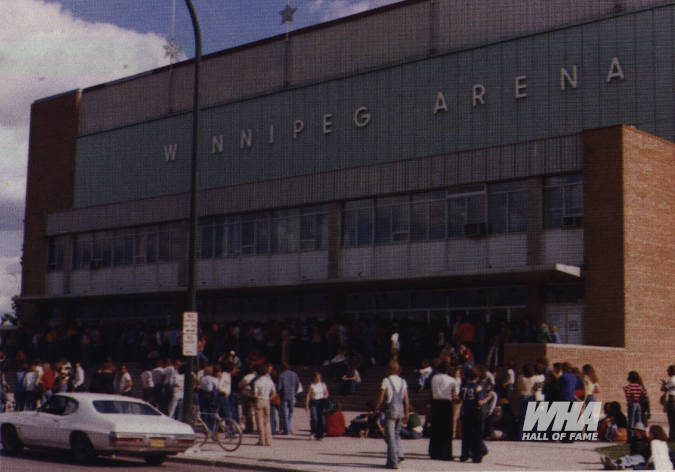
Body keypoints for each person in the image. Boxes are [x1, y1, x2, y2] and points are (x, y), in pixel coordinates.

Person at [374, 360, 409, 470]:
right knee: (397, 434)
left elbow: (381, 396)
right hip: (401, 410)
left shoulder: (386, 380)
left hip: (391, 409)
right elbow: (406, 399)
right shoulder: (403, 381)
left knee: (390, 436)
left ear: (388, 370)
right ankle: (400, 454)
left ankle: (393, 461)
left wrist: (377, 407)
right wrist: (406, 413)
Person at [428, 361, 459, 460]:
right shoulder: (452, 380)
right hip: (446, 403)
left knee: (436, 428)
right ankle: (446, 453)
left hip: (436, 402)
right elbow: (455, 394)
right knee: (447, 429)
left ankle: (434, 452)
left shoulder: (434, 378)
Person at [459, 368, 488, 463]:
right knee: (477, 435)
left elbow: (459, 398)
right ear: (477, 376)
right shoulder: (478, 387)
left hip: (466, 411)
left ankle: (464, 455)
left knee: (466, 435)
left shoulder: (463, 386)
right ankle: (477, 456)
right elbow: (479, 402)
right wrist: (487, 398)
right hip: (475, 412)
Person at [253, 363, 276, 446]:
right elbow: (274, 393)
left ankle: (261, 440)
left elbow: (255, 394)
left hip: (259, 400)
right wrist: (269, 398)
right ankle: (268, 440)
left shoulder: (257, 382)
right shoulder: (269, 381)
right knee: (267, 421)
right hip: (267, 400)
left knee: (259, 421)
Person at [277, 362, 300, 435]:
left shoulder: (281, 376)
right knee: (291, 413)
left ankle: (286, 430)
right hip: (292, 395)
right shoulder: (294, 374)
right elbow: (297, 385)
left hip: (284, 396)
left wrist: (280, 394)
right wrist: (294, 392)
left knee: (285, 414)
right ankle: (289, 428)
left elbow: (279, 388)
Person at [624, 371, 649, 439]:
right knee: (639, 420)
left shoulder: (628, 387)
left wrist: (629, 403)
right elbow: (645, 396)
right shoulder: (640, 386)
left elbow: (628, 396)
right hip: (639, 404)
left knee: (631, 420)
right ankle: (640, 435)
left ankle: (631, 436)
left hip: (632, 404)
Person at [305, 371, 329, 440]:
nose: (318, 379)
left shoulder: (323, 384)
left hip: (321, 402)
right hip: (314, 402)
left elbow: (326, 393)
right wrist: (306, 404)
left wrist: (325, 397)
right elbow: (308, 395)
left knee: (321, 418)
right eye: (316, 377)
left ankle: (320, 434)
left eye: (319, 377)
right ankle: (312, 432)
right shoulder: (312, 385)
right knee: (314, 418)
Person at [660, 365, 675, 440]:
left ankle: (672, 436)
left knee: (671, 419)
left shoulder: (672, 379)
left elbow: (664, 389)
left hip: (672, 400)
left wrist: (664, 384)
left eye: (668, 370)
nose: (667, 372)